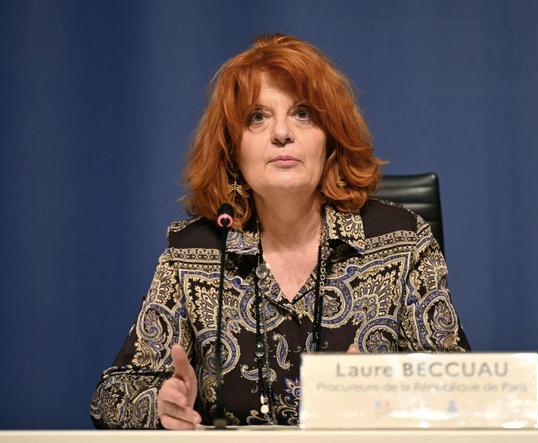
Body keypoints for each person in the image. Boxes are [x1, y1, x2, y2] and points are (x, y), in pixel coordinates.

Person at [90, 33, 470, 430]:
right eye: (257, 117)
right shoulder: (193, 254)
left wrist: (390, 394)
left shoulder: (403, 241)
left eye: (303, 114)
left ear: (331, 139)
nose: (282, 133)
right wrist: (161, 404)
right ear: (232, 149)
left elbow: (465, 393)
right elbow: (111, 397)